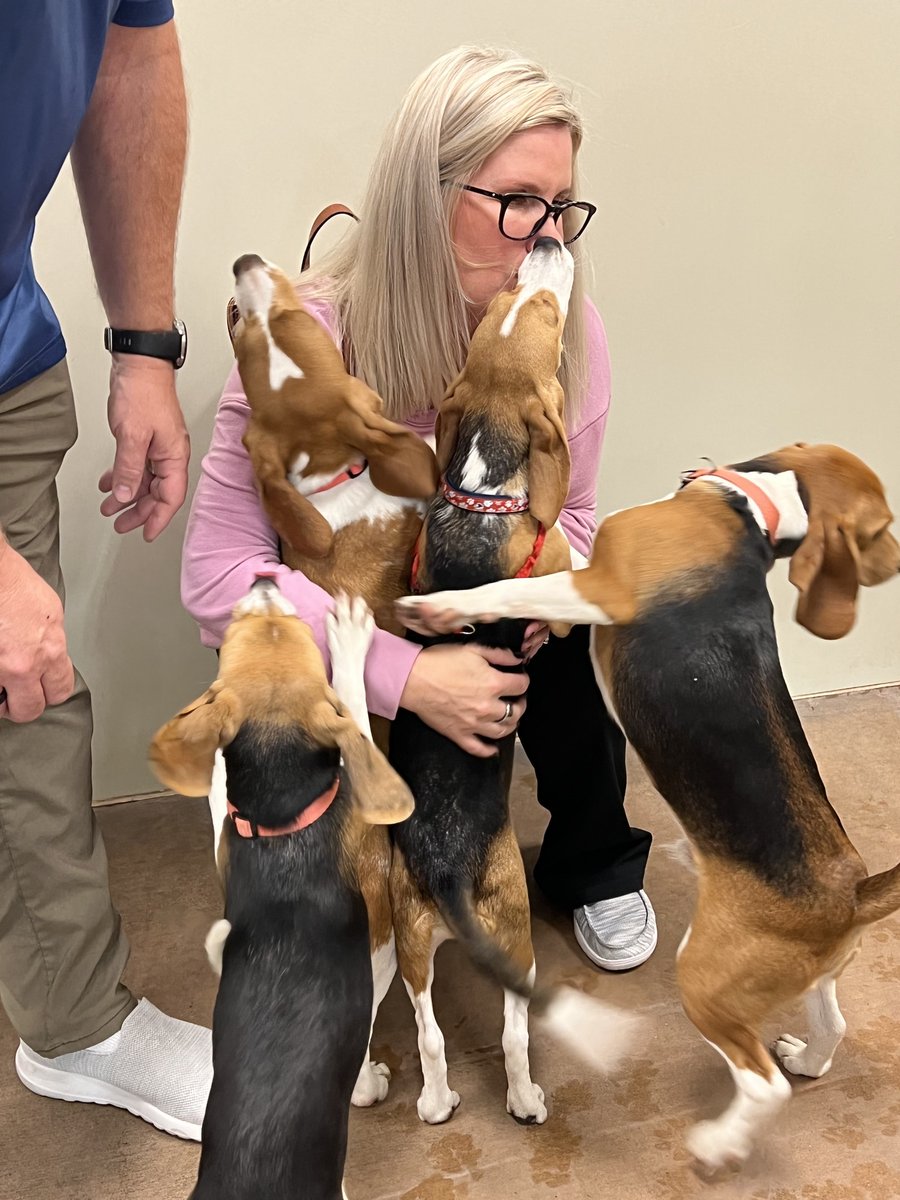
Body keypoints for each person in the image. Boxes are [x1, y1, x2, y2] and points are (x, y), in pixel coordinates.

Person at [182, 45, 656, 972]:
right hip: (347, 617)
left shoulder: (565, 330)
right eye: (516, 201)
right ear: (422, 198)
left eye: (562, 206)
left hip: (477, 592)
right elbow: (218, 578)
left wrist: (532, 604)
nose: (548, 238)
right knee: (299, 795)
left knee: (580, 645)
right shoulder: (305, 342)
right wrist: (405, 678)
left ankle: (597, 856)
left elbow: (576, 513)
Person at [0, 3, 210, 1140]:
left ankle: (74, 1024)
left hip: (6, 355)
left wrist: (144, 347)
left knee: (21, 707)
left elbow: (131, 54)